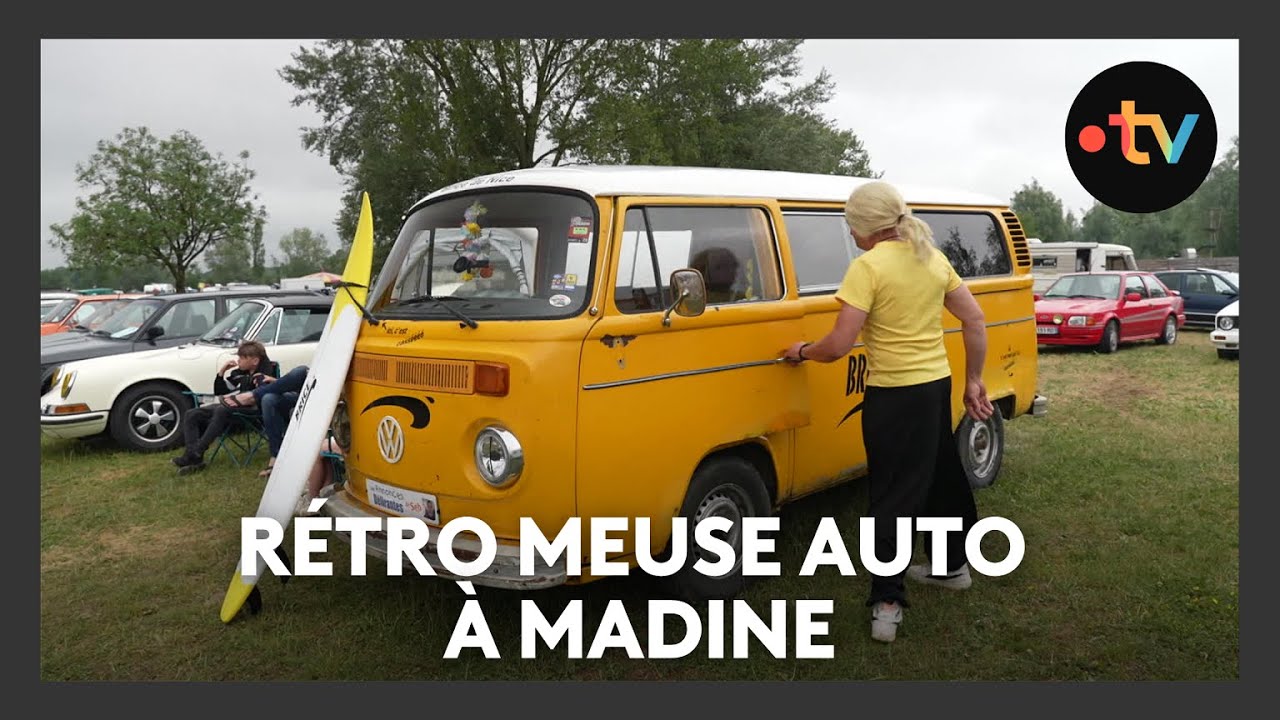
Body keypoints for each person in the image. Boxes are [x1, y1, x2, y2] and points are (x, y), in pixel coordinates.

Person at [781, 181, 994, 644]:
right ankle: (951, 566)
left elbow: (839, 345)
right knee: (940, 476)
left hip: (894, 395)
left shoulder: (868, 267)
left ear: (867, 226)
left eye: (851, 224)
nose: (850, 233)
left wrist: (802, 350)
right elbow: (975, 319)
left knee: (892, 497)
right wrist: (974, 380)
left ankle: (887, 603)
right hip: (935, 388)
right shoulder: (931, 258)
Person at [172, 340, 274, 474]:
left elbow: (262, 397)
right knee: (192, 414)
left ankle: (196, 452)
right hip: (234, 406)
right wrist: (222, 372)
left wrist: (237, 400)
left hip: (254, 411)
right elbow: (220, 391)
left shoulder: (264, 374)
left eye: (242, 358)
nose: (238, 360)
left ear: (255, 361)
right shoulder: (240, 373)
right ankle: (195, 459)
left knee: (221, 409)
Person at [225, 365, 312, 478]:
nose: (238, 361)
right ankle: (276, 455)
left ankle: (252, 395)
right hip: (303, 394)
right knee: (268, 399)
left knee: (301, 371)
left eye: (242, 357)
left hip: (320, 397)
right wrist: (276, 381)